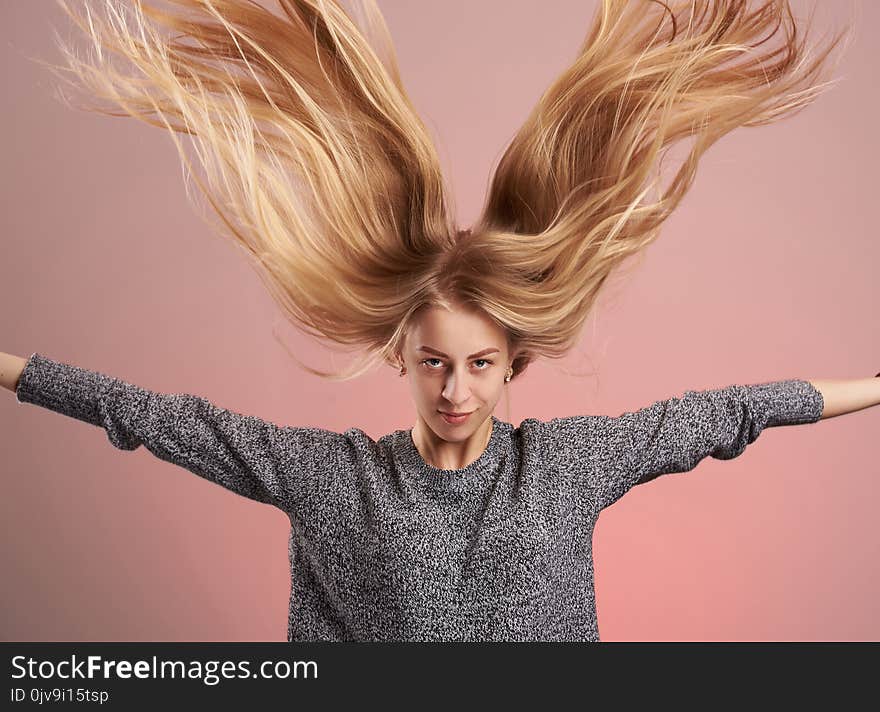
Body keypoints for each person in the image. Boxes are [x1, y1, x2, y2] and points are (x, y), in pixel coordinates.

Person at [4, 0, 875, 641]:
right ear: (402, 356)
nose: (456, 389)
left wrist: (875, 388)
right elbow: (158, 421)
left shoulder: (568, 466)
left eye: (480, 364)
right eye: (434, 363)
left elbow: (726, 415)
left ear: (512, 364)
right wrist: (11, 368)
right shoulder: (336, 481)